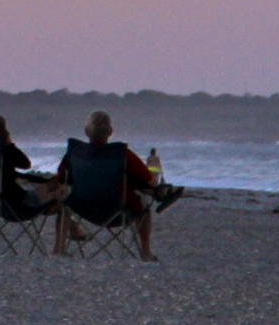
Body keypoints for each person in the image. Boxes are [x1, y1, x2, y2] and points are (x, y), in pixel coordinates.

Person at [55, 110, 183, 260]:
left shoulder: (75, 153)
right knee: (144, 206)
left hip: (82, 208)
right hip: (116, 209)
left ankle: (59, 249)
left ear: (86, 132)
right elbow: (148, 179)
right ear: (110, 132)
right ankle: (146, 252)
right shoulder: (121, 154)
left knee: (64, 204)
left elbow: (62, 177)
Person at [0, 114, 60, 222]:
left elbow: (9, 174)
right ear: (4, 131)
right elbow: (26, 164)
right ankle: (73, 230)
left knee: (49, 187)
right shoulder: (4, 149)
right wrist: (9, 144)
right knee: (62, 195)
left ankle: (74, 229)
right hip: (17, 206)